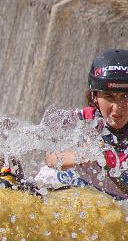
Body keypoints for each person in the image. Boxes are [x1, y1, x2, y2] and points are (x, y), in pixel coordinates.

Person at [41, 49, 128, 198]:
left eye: (125, 96)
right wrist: (86, 156)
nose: (117, 108)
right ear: (94, 96)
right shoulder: (79, 121)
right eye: (109, 96)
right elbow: (51, 158)